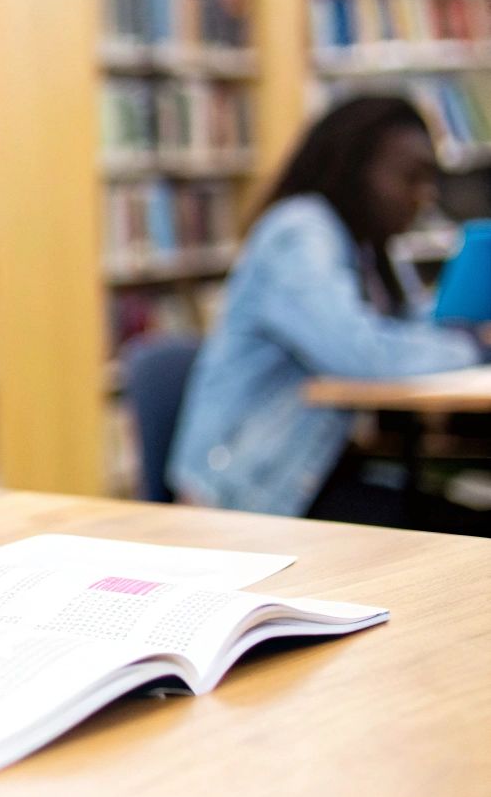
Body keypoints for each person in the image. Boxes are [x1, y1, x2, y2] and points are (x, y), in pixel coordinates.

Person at [168, 95, 485, 524]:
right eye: (410, 178)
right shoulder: (300, 231)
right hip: (248, 490)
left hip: (308, 473)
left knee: (458, 518)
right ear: (357, 172)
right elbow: (360, 354)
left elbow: (410, 329)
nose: (424, 196)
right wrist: (469, 345)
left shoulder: (365, 246)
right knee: (463, 532)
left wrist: (460, 325)